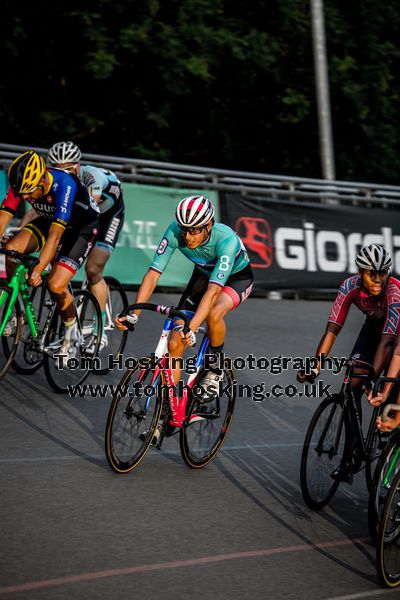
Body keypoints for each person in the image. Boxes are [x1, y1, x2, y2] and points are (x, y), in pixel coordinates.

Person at [116, 195, 254, 400]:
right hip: (203, 276)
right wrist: (134, 313)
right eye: (184, 229)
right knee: (174, 344)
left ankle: (215, 368)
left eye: (194, 230)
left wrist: (193, 326)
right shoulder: (174, 232)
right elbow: (153, 274)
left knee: (214, 313)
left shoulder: (226, 240)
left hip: (236, 279)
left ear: (208, 225)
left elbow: (214, 291)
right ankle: (168, 409)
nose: (188, 237)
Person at [0, 150, 99, 362]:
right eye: (20, 193)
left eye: (28, 192)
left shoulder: (65, 185)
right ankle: (15, 311)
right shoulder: (20, 181)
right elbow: (3, 216)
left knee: (55, 284)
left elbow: (55, 238)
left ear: (43, 180)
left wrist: (38, 268)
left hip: (80, 229)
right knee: (11, 249)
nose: (24, 198)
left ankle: (72, 333)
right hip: (49, 220)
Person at [297, 243, 400, 408]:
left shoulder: (394, 291)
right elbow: (332, 330)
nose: (378, 280)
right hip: (373, 328)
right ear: (360, 273)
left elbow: (387, 343)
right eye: (371, 273)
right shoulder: (349, 287)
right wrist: (316, 366)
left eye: (382, 273)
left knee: (388, 390)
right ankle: (352, 434)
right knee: (352, 388)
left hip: (395, 338)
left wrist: (372, 379)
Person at [47, 141, 125, 351]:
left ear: (77, 167)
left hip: (108, 215)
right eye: (56, 169)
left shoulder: (92, 177)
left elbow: (91, 208)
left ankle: (100, 329)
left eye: (67, 169)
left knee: (93, 268)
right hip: (86, 213)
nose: (61, 174)